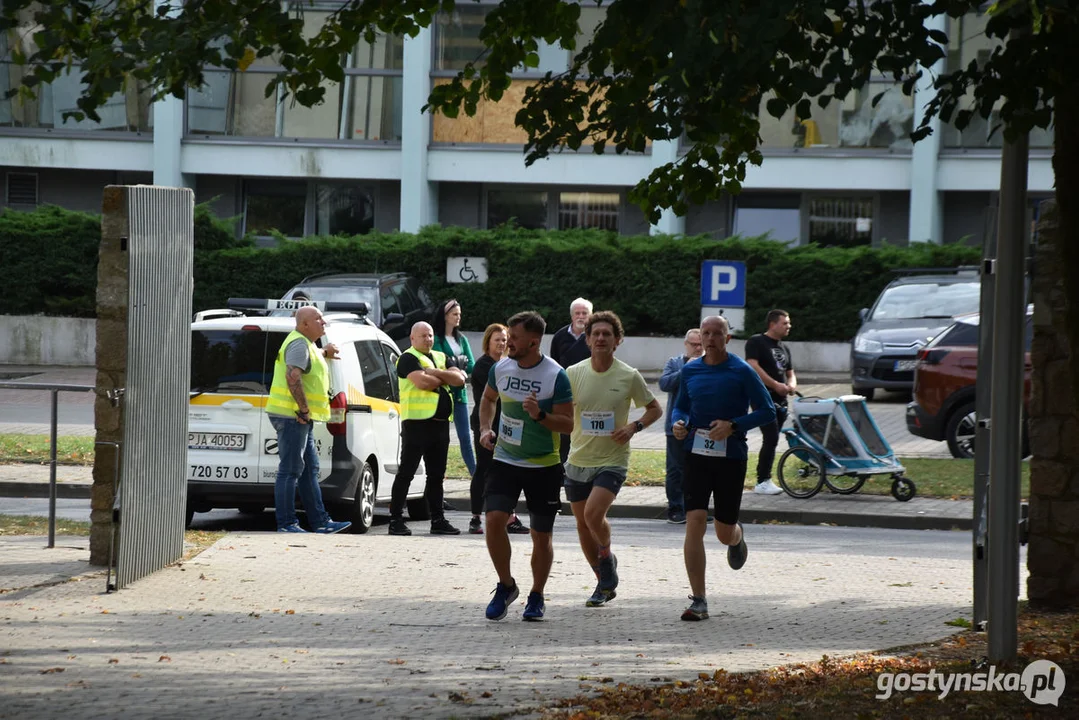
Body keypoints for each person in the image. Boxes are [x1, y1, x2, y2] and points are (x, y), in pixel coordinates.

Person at [671, 315, 775, 621]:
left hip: (731, 458)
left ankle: (737, 537)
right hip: (697, 454)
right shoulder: (690, 370)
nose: (711, 338)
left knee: (722, 532)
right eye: (706, 333)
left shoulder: (741, 371)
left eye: (718, 333)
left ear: (727, 339)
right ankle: (698, 599)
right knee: (695, 520)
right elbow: (681, 406)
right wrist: (681, 423)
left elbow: (768, 411)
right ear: (700, 338)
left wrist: (733, 426)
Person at [478, 311, 574, 621]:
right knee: (493, 519)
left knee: (540, 535)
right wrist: (485, 428)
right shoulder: (501, 368)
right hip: (505, 458)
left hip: (543, 465)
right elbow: (488, 399)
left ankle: (536, 594)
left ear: (533, 342)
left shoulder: (555, 375)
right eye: (507, 336)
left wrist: (540, 415)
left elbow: (568, 425)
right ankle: (506, 585)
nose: (508, 342)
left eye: (514, 338)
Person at [565, 311, 662, 606]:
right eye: (596, 334)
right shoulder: (573, 373)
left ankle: (606, 557)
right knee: (582, 525)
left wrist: (635, 426)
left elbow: (654, 408)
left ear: (617, 341)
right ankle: (602, 582)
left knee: (594, 515)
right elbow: (561, 410)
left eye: (607, 334)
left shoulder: (628, 375)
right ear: (587, 339)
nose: (601, 338)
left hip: (613, 459)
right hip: (578, 457)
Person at [265, 306, 352, 534]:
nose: (323, 322)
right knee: (291, 470)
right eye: (318, 318)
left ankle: (321, 522)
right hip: (294, 416)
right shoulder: (299, 343)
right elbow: (292, 375)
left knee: (308, 469)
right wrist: (303, 409)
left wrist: (325, 352)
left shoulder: (307, 344)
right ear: (304, 324)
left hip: (299, 416)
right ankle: (287, 523)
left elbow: (306, 361)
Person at [388, 321, 468, 537]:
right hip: (417, 424)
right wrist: (444, 376)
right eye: (423, 336)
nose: (428, 339)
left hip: (440, 425)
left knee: (436, 476)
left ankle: (438, 519)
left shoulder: (440, 357)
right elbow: (422, 383)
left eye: (430, 335)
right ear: (412, 338)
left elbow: (460, 379)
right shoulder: (408, 358)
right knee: (407, 472)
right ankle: (395, 520)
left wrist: (434, 372)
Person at [468, 323, 529, 536]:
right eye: (497, 340)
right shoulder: (483, 366)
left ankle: (509, 516)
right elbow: (498, 394)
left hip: (507, 424)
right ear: (488, 342)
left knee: (507, 471)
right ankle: (476, 517)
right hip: (486, 425)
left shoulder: (506, 364)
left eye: (504, 340)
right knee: (484, 470)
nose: (502, 344)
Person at [744, 309, 798, 495]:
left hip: (781, 400)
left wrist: (790, 385)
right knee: (771, 436)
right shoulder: (756, 342)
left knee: (772, 440)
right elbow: (752, 366)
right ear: (772, 324)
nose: (788, 326)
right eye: (785, 323)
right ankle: (762, 481)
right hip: (762, 397)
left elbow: (790, 372)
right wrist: (775, 385)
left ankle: (765, 479)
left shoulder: (784, 347)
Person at [658, 328, 703, 524]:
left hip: (701, 427)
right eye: (693, 344)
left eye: (700, 344)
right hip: (676, 425)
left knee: (699, 469)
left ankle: (695, 508)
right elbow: (664, 384)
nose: (697, 348)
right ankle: (676, 508)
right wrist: (685, 370)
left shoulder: (709, 364)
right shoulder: (674, 363)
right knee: (676, 468)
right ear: (686, 345)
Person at [432, 299, 477, 479]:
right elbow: (439, 363)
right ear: (445, 316)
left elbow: (472, 365)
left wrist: (455, 367)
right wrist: (457, 366)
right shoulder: (436, 339)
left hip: (460, 395)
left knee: (465, 438)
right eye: (454, 314)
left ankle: (476, 476)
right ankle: (436, 479)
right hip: (443, 396)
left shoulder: (462, 339)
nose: (458, 317)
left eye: (459, 314)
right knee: (440, 441)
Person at [550, 297, 593, 464]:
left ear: (591, 315)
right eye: (578, 313)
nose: (581, 317)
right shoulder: (560, 336)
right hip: (565, 392)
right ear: (572, 316)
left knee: (585, 431)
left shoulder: (595, 336)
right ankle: (562, 468)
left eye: (585, 313)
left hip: (589, 392)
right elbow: (553, 364)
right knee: (565, 431)